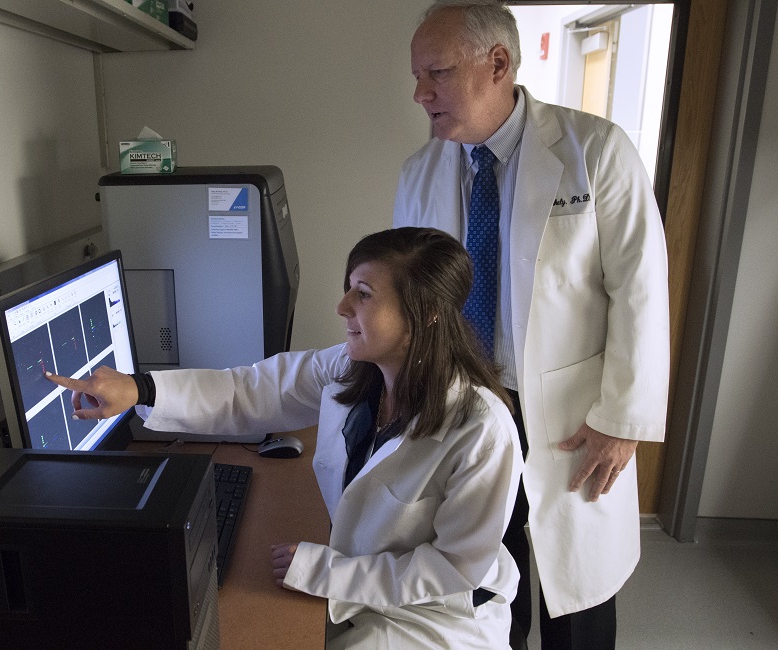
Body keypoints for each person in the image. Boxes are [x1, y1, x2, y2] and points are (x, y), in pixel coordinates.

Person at [47, 227, 523, 649]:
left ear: (427, 313)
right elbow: (252, 391)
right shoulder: (351, 369)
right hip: (358, 592)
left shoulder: (481, 429)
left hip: (435, 617)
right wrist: (140, 389)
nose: (342, 307)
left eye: (363, 294)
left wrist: (326, 572)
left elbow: (453, 568)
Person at [392, 2, 671, 649]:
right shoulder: (420, 172)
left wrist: (621, 421)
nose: (419, 93)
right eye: (416, 76)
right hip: (465, 405)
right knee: (485, 579)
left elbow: (640, 293)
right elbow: (411, 300)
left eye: (436, 72)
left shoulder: (596, 152)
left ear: (498, 64)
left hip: (576, 416)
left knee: (577, 592)